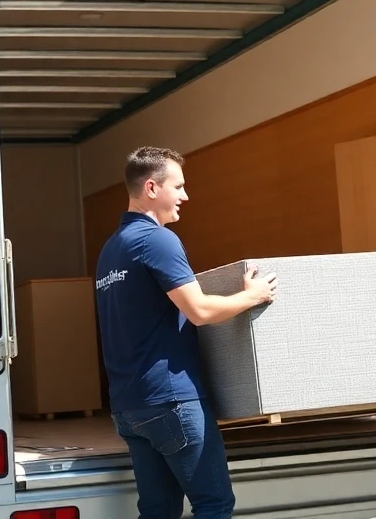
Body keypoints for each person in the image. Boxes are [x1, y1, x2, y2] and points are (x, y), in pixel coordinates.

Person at [93, 146, 278, 519]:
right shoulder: (157, 240)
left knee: (158, 511)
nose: (185, 196)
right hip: (171, 401)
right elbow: (199, 311)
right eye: (177, 186)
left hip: (130, 406)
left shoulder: (111, 251)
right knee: (214, 504)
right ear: (151, 188)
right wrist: (251, 296)